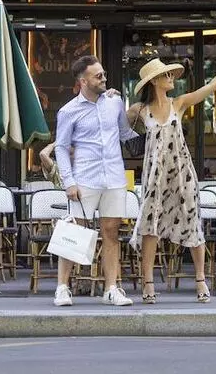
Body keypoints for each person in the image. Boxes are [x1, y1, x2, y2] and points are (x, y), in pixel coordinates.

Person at [128, 43, 216, 305]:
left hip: (181, 174)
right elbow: (115, 125)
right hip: (154, 178)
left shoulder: (178, 103)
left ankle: (201, 280)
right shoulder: (139, 110)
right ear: (155, 81)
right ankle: (148, 283)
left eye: (171, 74)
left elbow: (211, 87)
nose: (171, 78)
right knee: (150, 227)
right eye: (166, 75)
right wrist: (110, 97)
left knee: (193, 225)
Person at [53, 55, 138, 307]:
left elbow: (124, 133)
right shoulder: (68, 111)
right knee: (74, 230)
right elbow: (61, 147)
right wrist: (68, 181)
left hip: (113, 177)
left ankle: (111, 288)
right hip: (85, 178)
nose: (104, 78)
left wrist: (155, 131)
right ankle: (62, 287)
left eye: (103, 74)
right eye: (98, 75)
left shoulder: (114, 102)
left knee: (111, 233)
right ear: (83, 81)